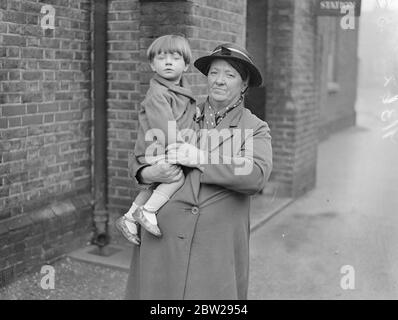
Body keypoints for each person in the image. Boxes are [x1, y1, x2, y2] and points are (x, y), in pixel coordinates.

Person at [125, 43, 273, 299]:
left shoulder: (255, 127)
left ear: (244, 84)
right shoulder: (182, 109)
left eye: (230, 75)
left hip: (214, 250)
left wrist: (201, 158)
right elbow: (141, 154)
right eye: (214, 73)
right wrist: (149, 173)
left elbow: (255, 174)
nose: (219, 81)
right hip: (163, 240)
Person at [115, 35, 200, 244]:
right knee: (175, 177)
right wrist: (180, 149)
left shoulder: (180, 91)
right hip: (157, 147)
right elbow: (165, 125)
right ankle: (148, 212)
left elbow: (180, 114)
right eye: (162, 58)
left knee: (156, 184)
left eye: (175, 58)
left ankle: (129, 217)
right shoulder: (158, 93)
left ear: (186, 65)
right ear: (153, 65)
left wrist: (193, 111)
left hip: (162, 147)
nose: (168, 62)